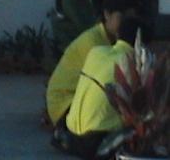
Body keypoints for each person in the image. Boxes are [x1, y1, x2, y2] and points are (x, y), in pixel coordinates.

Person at [46, 0, 139, 128]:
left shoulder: (114, 41)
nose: (127, 24)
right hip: (64, 105)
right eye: (122, 18)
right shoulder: (95, 44)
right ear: (107, 14)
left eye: (130, 19)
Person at [61, 16, 147, 159]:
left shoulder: (96, 52)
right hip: (97, 140)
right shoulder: (133, 63)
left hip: (71, 134)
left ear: (118, 35)